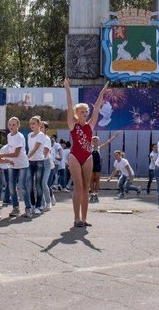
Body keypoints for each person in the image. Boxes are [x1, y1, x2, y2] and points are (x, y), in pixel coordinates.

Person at [63, 77, 109, 228]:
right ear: (77, 113)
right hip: (75, 156)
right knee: (78, 186)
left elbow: (96, 107)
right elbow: (69, 106)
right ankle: (76, 218)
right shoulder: (72, 125)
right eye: (81, 111)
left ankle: (84, 218)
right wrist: (68, 89)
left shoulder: (90, 125)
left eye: (85, 111)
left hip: (88, 157)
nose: (84, 113)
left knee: (86, 188)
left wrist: (102, 92)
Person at [0, 117, 32, 218]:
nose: (11, 126)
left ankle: (28, 209)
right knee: (11, 187)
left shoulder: (19, 137)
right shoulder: (9, 135)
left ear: (18, 126)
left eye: (14, 125)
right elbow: (10, 150)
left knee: (23, 187)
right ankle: (16, 208)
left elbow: (16, 154)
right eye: (10, 125)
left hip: (22, 164)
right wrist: (4, 158)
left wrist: (2, 155)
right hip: (12, 164)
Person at [90, 131, 120, 203]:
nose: (95, 142)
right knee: (91, 180)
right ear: (92, 141)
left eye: (96, 140)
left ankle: (96, 194)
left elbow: (108, 142)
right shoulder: (90, 148)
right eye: (94, 140)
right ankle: (92, 194)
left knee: (97, 180)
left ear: (98, 141)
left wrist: (114, 136)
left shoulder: (99, 148)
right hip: (90, 165)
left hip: (97, 166)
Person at [27, 116, 47, 215]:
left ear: (39, 125)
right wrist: (27, 159)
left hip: (39, 162)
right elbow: (30, 149)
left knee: (38, 185)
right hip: (30, 162)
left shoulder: (41, 135)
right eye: (30, 124)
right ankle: (32, 205)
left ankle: (38, 206)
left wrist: (26, 158)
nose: (32, 125)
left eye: (34, 123)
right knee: (30, 185)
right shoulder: (29, 135)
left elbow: (34, 149)